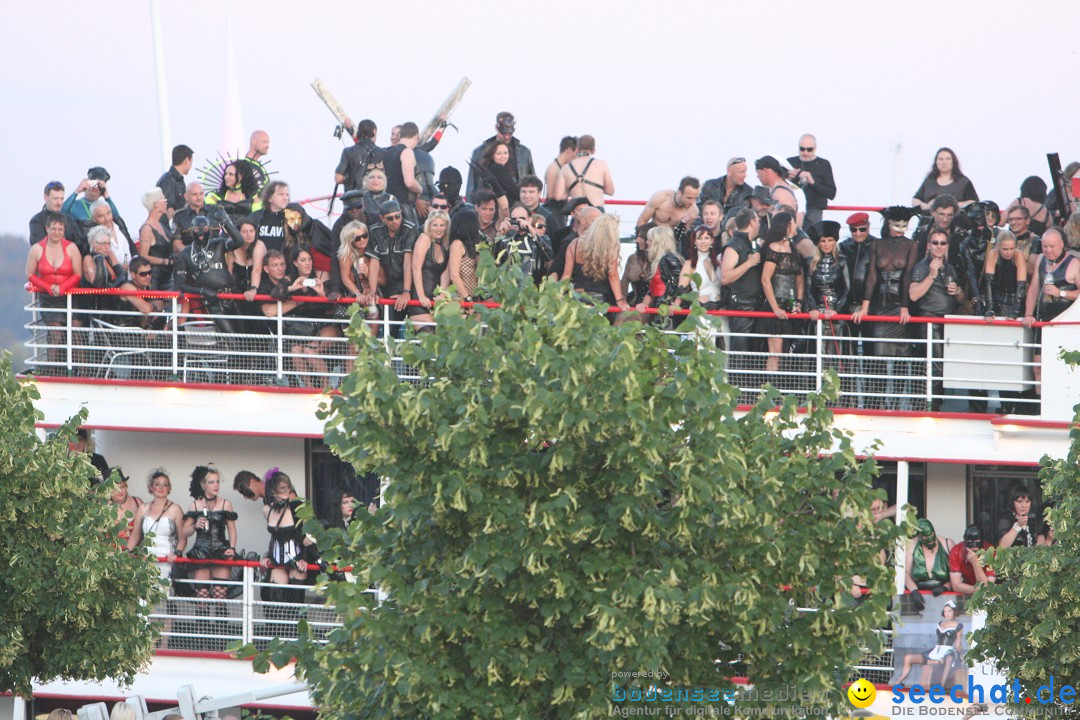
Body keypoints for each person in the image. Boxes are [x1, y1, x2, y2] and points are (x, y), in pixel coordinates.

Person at [852, 206, 920, 408]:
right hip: (879, 304)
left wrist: (906, 307)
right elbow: (872, 276)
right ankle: (876, 402)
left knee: (901, 359)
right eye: (896, 224)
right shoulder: (877, 244)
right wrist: (864, 306)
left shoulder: (912, 244)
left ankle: (897, 403)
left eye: (905, 225)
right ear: (888, 223)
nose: (901, 229)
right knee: (877, 359)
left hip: (900, 303)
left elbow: (908, 276)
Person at [1023, 227, 1080, 399]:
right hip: (1043, 322)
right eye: (1045, 246)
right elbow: (1033, 289)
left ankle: (1062, 402)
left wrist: (1061, 293)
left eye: (1052, 247)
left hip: (1064, 326)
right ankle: (1039, 405)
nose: (1048, 250)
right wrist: (1028, 314)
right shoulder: (1041, 259)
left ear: (1062, 245)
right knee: (1038, 367)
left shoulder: (1074, 263)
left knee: (1063, 367)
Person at [910, 228, 963, 410]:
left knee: (943, 366)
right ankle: (929, 405)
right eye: (935, 243)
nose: (939, 246)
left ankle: (936, 403)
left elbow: (960, 299)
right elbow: (913, 295)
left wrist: (958, 292)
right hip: (929, 321)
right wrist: (931, 275)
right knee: (934, 366)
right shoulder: (921, 266)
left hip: (947, 322)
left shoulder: (950, 268)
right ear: (928, 245)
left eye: (942, 243)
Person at [174, 216, 244, 335]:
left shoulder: (218, 244)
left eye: (204, 228)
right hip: (213, 302)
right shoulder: (185, 254)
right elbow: (181, 285)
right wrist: (202, 291)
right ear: (192, 230)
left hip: (232, 296)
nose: (201, 231)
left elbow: (239, 241)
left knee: (245, 334)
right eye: (197, 228)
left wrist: (225, 221)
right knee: (230, 336)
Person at [26, 212, 83, 352]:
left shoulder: (72, 248)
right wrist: (48, 287)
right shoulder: (37, 249)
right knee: (55, 333)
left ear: (64, 231)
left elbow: (78, 274)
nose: (56, 233)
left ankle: (81, 371)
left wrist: (63, 287)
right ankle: (52, 370)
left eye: (60, 229)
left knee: (77, 334)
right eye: (53, 229)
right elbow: (30, 274)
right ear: (47, 228)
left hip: (71, 296)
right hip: (49, 298)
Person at [182, 465, 239, 600]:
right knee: (202, 597)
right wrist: (195, 526)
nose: (216, 485)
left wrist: (232, 548)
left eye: (218, 482)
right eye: (211, 482)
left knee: (220, 596)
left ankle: (220, 621)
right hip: (201, 551)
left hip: (221, 550)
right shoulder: (195, 505)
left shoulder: (226, 504)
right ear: (203, 485)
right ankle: (203, 621)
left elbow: (232, 529)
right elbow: (184, 532)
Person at [259, 470, 314, 605]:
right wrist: (268, 556)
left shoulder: (298, 508)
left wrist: (305, 559)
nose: (286, 491)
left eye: (288, 487)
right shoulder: (267, 510)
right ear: (273, 490)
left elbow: (308, 538)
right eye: (282, 488)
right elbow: (274, 537)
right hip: (277, 561)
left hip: (298, 560)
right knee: (277, 603)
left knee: (296, 604)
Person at [759, 212, 804, 374]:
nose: (796, 225)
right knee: (775, 353)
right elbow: (765, 279)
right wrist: (775, 308)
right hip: (775, 305)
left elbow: (799, 279)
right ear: (787, 225)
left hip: (790, 305)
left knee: (786, 353)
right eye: (793, 222)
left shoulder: (793, 248)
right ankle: (770, 389)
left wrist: (798, 303)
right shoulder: (773, 248)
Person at [805, 221, 851, 378]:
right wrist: (812, 308)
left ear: (835, 241)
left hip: (836, 317)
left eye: (830, 240)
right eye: (823, 240)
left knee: (835, 358)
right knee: (817, 357)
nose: (826, 244)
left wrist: (836, 309)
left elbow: (847, 289)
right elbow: (808, 288)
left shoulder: (842, 261)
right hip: (817, 315)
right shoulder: (811, 262)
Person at [367, 199, 419, 327]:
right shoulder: (374, 231)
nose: (395, 221)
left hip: (410, 286)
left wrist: (406, 291)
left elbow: (408, 262)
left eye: (398, 216)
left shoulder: (410, 229)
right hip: (388, 286)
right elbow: (374, 264)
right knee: (389, 328)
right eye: (390, 218)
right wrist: (372, 292)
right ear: (382, 218)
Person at [127, 468, 186, 580]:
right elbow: (135, 535)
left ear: (169, 488)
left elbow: (183, 537)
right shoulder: (143, 508)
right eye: (157, 484)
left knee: (165, 593)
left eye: (165, 485)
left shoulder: (176, 509)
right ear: (151, 487)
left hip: (167, 560)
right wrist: (127, 551)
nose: (161, 488)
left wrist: (177, 553)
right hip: (146, 558)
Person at [563, 214, 627, 313]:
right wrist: (620, 300)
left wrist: (559, 293)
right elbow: (612, 275)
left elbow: (566, 275)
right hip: (600, 298)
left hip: (577, 296)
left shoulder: (574, 244)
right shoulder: (611, 248)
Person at [466, 111, 534, 200]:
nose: (506, 137)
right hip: (487, 202)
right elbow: (471, 184)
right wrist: (471, 206)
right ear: (496, 127)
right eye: (504, 133)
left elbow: (532, 181)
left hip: (516, 203)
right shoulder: (479, 152)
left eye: (509, 133)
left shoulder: (524, 152)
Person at [896, 601, 964, 688]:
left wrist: (958, 655)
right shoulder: (941, 623)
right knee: (908, 658)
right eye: (945, 611)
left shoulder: (958, 625)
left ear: (955, 611)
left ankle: (941, 687)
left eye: (949, 611)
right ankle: (899, 681)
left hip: (948, 651)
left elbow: (958, 643)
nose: (947, 613)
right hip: (935, 651)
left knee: (949, 659)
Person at [634, 226, 684, 325]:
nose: (647, 242)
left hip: (667, 309)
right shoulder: (659, 260)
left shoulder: (669, 259)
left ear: (657, 242)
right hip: (659, 306)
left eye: (650, 240)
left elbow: (681, 285)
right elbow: (653, 287)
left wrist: (675, 304)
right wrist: (645, 304)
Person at [409, 210, 452, 326]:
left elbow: (446, 274)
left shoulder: (445, 244)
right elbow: (416, 268)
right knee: (429, 332)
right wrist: (421, 296)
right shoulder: (424, 238)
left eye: (442, 225)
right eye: (435, 225)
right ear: (429, 226)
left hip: (438, 302)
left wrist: (442, 294)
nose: (438, 228)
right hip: (419, 300)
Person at [555, 134, 614, 211]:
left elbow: (558, 196)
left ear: (577, 149)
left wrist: (573, 189)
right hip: (596, 211)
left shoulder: (566, 168)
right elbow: (610, 191)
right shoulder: (601, 164)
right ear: (593, 150)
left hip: (578, 211)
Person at [381, 121, 425, 223]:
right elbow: (409, 182)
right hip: (403, 206)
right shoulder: (407, 152)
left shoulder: (388, 153)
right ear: (416, 136)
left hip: (388, 205)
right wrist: (420, 189)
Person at [787, 135, 836, 226]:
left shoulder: (823, 164)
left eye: (809, 149)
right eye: (802, 149)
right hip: (793, 208)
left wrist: (812, 181)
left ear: (815, 148)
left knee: (812, 237)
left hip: (814, 209)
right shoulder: (790, 162)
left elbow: (831, 193)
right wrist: (788, 178)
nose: (805, 152)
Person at [904, 518, 953, 609]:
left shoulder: (947, 544)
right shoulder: (911, 545)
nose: (930, 539)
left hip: (945, 597)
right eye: (926, 537)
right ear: (919, 536)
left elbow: (957, 575)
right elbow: (905, 573)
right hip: (919, 596)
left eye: (932, 534)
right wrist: (913, 591)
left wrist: (945, 587)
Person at [637, 178, 701, 243]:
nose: (692, 202)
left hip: (673, 244)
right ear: (679, 193)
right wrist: (645, 241)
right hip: (652, 240)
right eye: (689, 198)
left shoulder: (693, 212)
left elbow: (683, 236)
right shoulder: (660, 198)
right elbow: (642, 221)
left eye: (695, 198)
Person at [982, 229, 1028, 321]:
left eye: (1012, 248)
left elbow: (1021, 286)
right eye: (1005, 249)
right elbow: (989, 283)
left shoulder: (1018, 255)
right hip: (998, 299)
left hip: (1015, 298)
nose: (1009, 252)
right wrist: (990, 309)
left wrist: (1016, 311)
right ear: (998, 246)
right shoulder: (993, 254)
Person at [912, 147, 978, 210]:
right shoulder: (929, 180)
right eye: (941, 159)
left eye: (948, 159)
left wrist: (954, 205)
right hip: (929, 220)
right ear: (936, 162)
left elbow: (974, 202)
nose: (944, 162)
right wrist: (927, 206)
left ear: (953, 161)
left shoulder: (963, 181)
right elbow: (915, 200)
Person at [138, 187, 176, 290]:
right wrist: (165, 261)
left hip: (169, 275)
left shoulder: (162, 225)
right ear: (156, 204)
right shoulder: (147, 228)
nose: (166, 203)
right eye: (164, 200)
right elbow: (143, 256)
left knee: (171, 304)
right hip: (156, 277)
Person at [30, 180, 84, 248]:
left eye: (61, 199)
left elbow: (80, 245)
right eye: (55, 198)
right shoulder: (37, 221)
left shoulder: (69, 220)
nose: (59, 203)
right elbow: (39, 247)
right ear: (46, 197)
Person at [205, 161, 261, 227]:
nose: (226, 177)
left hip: (245, 234)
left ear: (240, 177)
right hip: (221, 235)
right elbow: (211, 220)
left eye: (230, 174)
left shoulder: (254, 197)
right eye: (225, 174)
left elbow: (257, 220)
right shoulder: (215, 196)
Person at [334, 118, 383, 193]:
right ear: (374, 132)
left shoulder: (348, 152)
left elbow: (338, 178)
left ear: (359, 132)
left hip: (352, 199)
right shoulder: (382, 153)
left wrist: (349, 178)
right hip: (374, 200)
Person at [680, 225, 722, 311]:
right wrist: (700, 305)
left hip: (719, 312)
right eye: (699, 238)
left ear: (712, 241)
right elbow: (681, 291)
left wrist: (721, 303)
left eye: (706, 238)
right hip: (699, 311)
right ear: (694, 241)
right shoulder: (689, 264)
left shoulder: (718, 262)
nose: (703, 241)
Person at [947, 525, 995, 596]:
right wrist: (978, 590)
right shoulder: (956, 551)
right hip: (966, 592)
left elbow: (988, 587)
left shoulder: (990, 552)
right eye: (970, 541)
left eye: (977, 541)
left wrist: (975, 562)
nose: (974, 545)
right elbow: (956, 585)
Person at [542, 135, 578, 229]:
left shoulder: (560, 167)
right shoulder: (553, 169)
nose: (576, 158)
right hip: (555, 210)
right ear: (569, 151)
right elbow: (552, 195)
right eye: (576, 154)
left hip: (560, 210)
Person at [448, 208, 483, 303]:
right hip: (461, 300)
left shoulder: (473, 247)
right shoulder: (457, 244)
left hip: (474, 299)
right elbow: (454, 275)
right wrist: (467, 297)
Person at [754, 156, 800, 224]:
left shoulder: (780, 194)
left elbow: (784, 223)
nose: (757, 176)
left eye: (758, 172)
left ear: (765, 171)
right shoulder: (779, 189)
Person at [157, 144, 194, 217]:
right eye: (191, 161)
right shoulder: (168, 180)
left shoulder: (179, 180)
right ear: (186, 160)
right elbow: (169, 208)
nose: (191, 165)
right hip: (171, 226)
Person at [110, 471, 143, 544]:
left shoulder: (137, 502)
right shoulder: (102, 507)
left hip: (137, 550)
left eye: (122, 487)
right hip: (112, 551)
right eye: (115, 488)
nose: (120, 491)